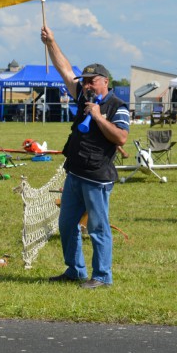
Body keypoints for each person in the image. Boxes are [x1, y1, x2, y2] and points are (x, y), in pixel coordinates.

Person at [41, 25, 130, 289]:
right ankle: (75, 271)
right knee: (67, 224)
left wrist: (99, 118)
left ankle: (102, 277)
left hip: (97, 178)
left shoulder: (118, 107)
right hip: (75, 174)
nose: (87, 84)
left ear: (105, 81)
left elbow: (121, 138)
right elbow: (65, 70)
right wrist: (51, 42)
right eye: (85, 81)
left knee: (98, 229)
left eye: (92, 81)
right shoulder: (83, 96)